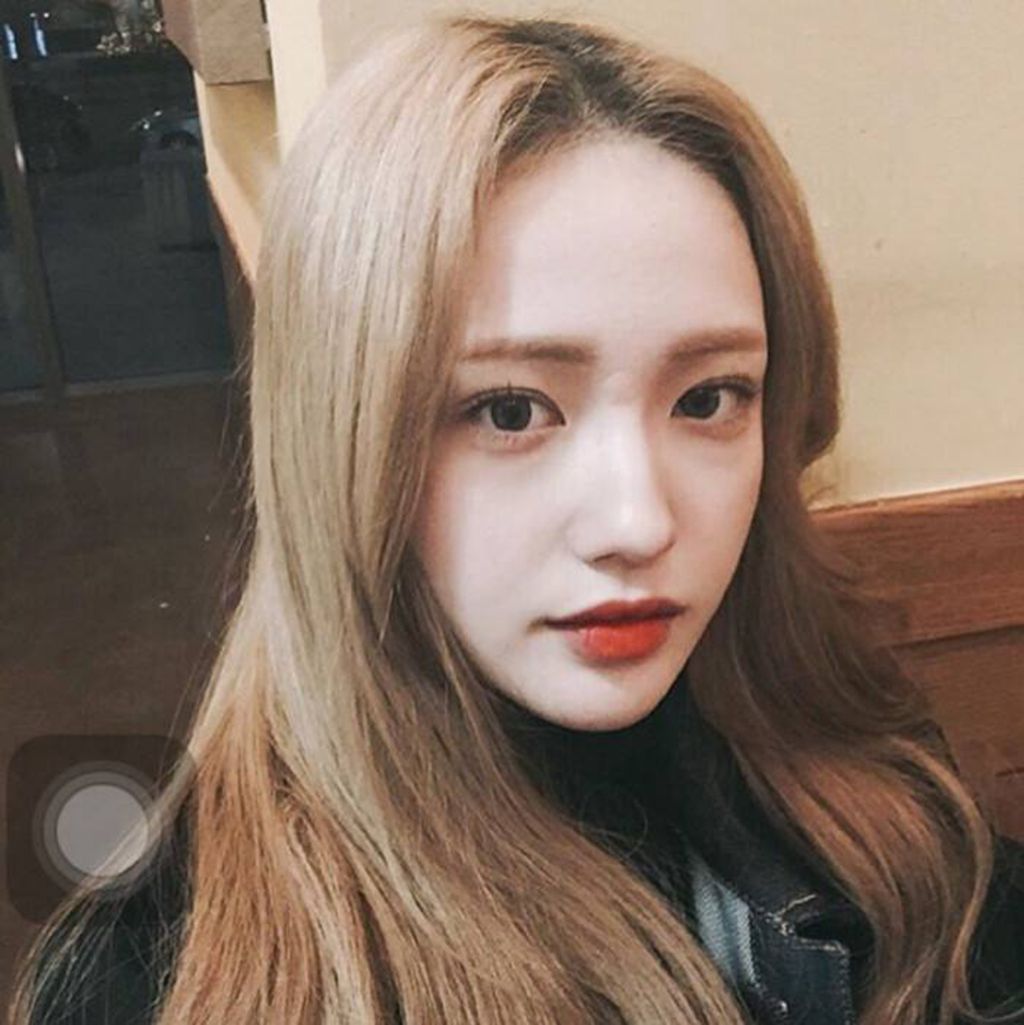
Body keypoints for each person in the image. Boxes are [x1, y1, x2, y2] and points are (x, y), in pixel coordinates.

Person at [7, 14, 1023, 1025]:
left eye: (708, 397)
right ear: (342, 436)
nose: (636, 523)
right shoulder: (158, 974)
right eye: (509, 410)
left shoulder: (887, 801)